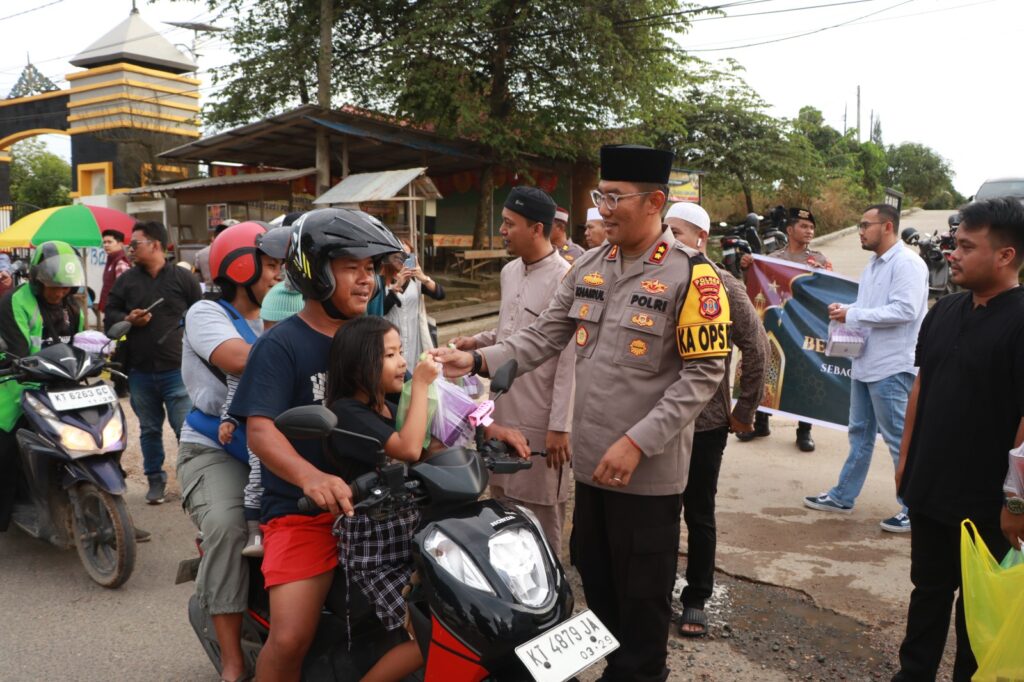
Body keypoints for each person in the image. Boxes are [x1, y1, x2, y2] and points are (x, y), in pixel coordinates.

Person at [432, 144, 729, 682]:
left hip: (646, 477)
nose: (604, 209)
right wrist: (475, 359)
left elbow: (703, 375)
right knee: (597, 581)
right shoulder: (590, 266)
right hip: (592, 468)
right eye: (601, 197)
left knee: (643, 605)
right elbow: (542, 336)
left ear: (655, 201)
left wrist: (639, 440)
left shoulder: (694, 276)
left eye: (616, 198)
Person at [228, 208, 404, 682]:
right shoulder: (281, 345)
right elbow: (261, 431)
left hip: (380, 505)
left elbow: (408, 409)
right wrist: (312, 477)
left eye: (370, 269)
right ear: (316, 271)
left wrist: (479, 423)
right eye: (352, 268)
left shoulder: (372, 338)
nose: (366, 280)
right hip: (303, 512)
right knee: (290, 637)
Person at [891, 197, 1024, 682]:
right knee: (926, 592)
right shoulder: (944, 309)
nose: (953, 253)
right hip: (929, 489)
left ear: (1005, 256)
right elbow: (922, 386)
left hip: (986, 503)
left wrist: (1016, 502)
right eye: (954, 243)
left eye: (967, 246)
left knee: (978, 614)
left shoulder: (1019, 321)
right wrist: (906, 463)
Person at [177, 221, 287, 682]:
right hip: (217, 449)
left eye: (284, 266)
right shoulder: (206, 313)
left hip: (282, 441)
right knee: (226, 525)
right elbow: (239, 358)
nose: (280, 275)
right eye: (271, 266)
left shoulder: (286, 309)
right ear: (241, 266)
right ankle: (232, 661)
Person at [451, 185, 575, 552]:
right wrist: (478, 342)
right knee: (503, 506)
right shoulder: (509, 272)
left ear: (537, 229)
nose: (501, 230)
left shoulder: (565, 278)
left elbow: (569, 360)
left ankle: (550, 598)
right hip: (503, 409)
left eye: (509, 223)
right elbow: (511, 328)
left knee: (540, 515)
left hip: (542, 418)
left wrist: (560, 426)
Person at [664, 202, 767, 637]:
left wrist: (744, 410)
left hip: (704, 424)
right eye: (664, 232)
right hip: (656, 423)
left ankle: (697, 598)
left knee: (698, 513)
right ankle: (654, 589)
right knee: (657, 513)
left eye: (678, 233)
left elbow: (757, 348)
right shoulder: (653, 279)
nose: (669, 241)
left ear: (701, 240)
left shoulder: (723, 286)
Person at [324, 316, 438, 682]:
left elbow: (423, 448)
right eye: (390, 354)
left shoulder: (386, 403)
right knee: (431, 637)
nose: (403, 362)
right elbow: (407, 449)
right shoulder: (347, 411)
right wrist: (420, 385)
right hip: (374, 547)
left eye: (401, 351)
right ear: (360, 365)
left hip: (407, 530)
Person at [803, 204, 927, 532]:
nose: (860, 230)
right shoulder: (874, 265)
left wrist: (854, 315)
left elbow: (906, 309)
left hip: (891, 366)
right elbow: (872, 307)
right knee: (859, 434)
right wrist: (849, 309)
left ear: (887, 227)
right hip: (866, 362)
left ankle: (916, 509)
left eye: (864, 224)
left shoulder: (907, 264)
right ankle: (843, 495)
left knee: (900, 439)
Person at [104, 220, 202, 504]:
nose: (130, 249)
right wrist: (128, 319)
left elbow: (201, 314)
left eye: (135, 244)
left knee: (186, 430)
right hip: (140, 371)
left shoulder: (183, 279)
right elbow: (110, 311)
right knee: (148, 430)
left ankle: (195, 483)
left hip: (177, 369)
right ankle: (155, 482)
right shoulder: (127, 281)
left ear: (155, 245)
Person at [0, 241, 86, 532]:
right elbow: (17, 350)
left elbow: (80, 345)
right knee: (8, 448)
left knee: (98, 437)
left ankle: (106, 496)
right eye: (54, 287)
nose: (59, 293)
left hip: (64, 387)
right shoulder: (15, 302)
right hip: (18, 387)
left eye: (65, 287)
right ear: (37, 280)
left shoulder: (72, 308)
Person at [738, 207, 831, 452]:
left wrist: (824, 277)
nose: (809, 231)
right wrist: (748, 266)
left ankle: (804, 431)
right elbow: (754, 282)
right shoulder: (774, 258)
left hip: (803, 327)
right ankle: (760, 422)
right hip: (776, 323)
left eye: (811, 227)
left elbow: (829, 291)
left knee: (807, 373)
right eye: (803, 226)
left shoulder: (819, 260)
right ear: (790, 230)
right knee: (767, 367)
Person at [384, 240, 445, 369]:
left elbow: (440, 294)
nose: (402, 260)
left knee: (413, 373)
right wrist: (395, 288)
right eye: (398, 256)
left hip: (414, 338)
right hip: (390, 338)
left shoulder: (416, 281)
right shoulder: (382, 280)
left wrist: (424, 277)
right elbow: (380, 309)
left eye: (407, 256)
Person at [194, 221, 235, 291]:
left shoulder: (201, 254)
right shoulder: (238, 253)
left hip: (209, 295)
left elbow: (197, 280)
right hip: (232, 297)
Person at [99, 229, 131, 317]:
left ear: (120, 244)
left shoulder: (120, 263)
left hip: (118, 312)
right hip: (111, 310)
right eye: (104, 242)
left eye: (109, 242)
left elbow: (124, 291)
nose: (106, 245)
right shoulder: (112, 261)